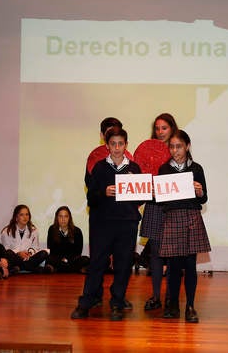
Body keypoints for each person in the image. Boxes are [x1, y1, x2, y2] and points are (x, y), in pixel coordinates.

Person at [71, 127, 143, 321]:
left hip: (127, 224)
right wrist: (104, 192)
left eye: (121, 144)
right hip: (102, 224)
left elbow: (141, 199)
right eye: (113, 144)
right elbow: (90, 198)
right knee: (96, 263)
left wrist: (139, 188)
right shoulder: (100, 167)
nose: (117, 148)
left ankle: (117, 303)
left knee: (123, 265)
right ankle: (86, 303)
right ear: (107, 145)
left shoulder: (134, 169)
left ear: (126, 145)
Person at [158, 130, 210, 323]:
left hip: (191, 218)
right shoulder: (164, 169)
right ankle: (172, 305)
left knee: (190, 265)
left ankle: (190, 306)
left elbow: (204, 198)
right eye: (171, 146)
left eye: (179, 146)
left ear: (187, 146)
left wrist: (199, 191)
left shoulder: (196, 169)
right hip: (172, 218)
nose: (175, 150)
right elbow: (162, 200)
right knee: (172, 267)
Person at [139, 113, 177, 311]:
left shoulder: (178, 150)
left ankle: (171, 297)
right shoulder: (147, 150)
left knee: (172, 254)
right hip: (154, 205)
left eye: (164, 128)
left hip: (172, 208)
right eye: (157, 128)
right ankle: (155, 296)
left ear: (172, 129)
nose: (160, 132)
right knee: (155, 253)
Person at [0, 204, 51, 273]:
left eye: (27, 214)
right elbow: (5, 249)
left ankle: (20, 268)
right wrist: (18, 253)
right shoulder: (7, 231)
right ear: (16, 217)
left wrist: (29, 253)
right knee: (9, 253)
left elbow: (35, 248)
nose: (25, 217)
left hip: (28, 258)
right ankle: (34, 268)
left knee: (44, 253)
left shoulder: (33, 230)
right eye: (22, 215)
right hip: (15, 258)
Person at [46, 206, 90, 273]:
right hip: (58, 260)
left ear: (69, 218)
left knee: (85, 259)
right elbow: (51, 248)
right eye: (60, 216)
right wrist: (61, 259)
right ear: (57, 218)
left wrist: (67, 259)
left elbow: (78, 251)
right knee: (49, 259)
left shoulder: (77, 231)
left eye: (66, 216)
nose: (63, 219)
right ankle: (77, 270)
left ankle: (57, 269)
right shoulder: (52, 229)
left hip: (72, 260)